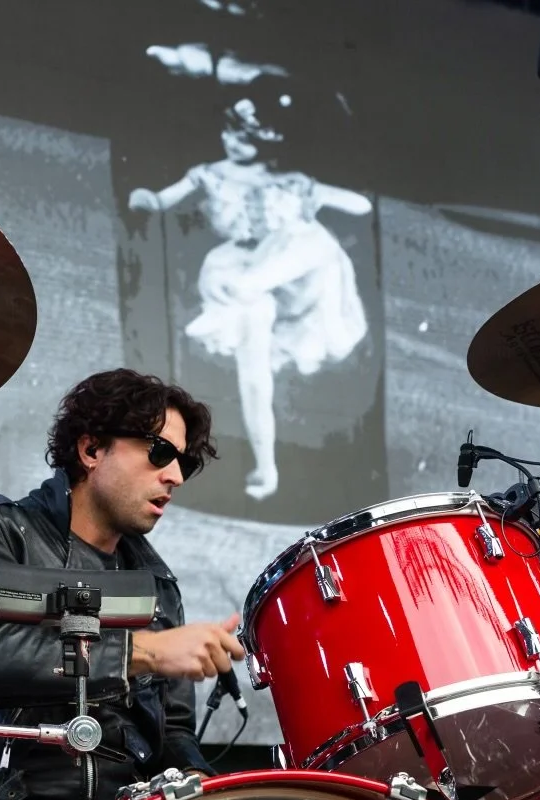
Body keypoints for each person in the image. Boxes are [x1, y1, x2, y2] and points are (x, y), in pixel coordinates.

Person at [0, 369, 245, 800]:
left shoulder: (158, 582)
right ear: (92, 450)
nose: (175, 476)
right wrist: (144, 653)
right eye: (160, 452)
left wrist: (208, 796)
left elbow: (174, 734)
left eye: (185, 461)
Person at [129, 93, 371, 501]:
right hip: (238, 271)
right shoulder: (208, 175)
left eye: (246, 137)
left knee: (310, 239)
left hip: (296, 277)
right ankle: (266, 464)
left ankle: (259, 285)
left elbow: (359, 205)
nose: (233, 142)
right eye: (230, 131)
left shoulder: (292, 184)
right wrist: (146, 201)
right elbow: (162, 198)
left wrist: (316, 198)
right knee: (254, 365)